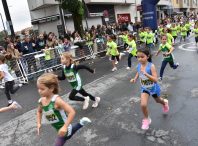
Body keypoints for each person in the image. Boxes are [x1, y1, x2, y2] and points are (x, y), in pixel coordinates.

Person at [37, 73, 91, 146]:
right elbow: (39, 112)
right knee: (68, 137)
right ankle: (82, 123)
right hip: (58, 127)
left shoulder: (57, 101)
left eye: (42, 89)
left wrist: (65, 127)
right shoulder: (41, 101)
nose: (39, 91)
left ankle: (81, 123)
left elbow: (71, 112)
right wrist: (39, 123)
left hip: (65, 126)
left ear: (51, 88)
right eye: (38, 88)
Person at [130, 48, 169, 130]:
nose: (140, 59)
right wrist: (135, 78)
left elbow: (155, 80)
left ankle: (165, 103)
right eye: (138, 57)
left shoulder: (151, 66)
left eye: (142, 57)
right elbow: (138, 71)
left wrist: (146, 74)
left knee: (158, 101)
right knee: (143, 104)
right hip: (144, 88)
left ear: (147, 56)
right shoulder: (139, 65)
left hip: (153, 88)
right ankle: (147, 119)